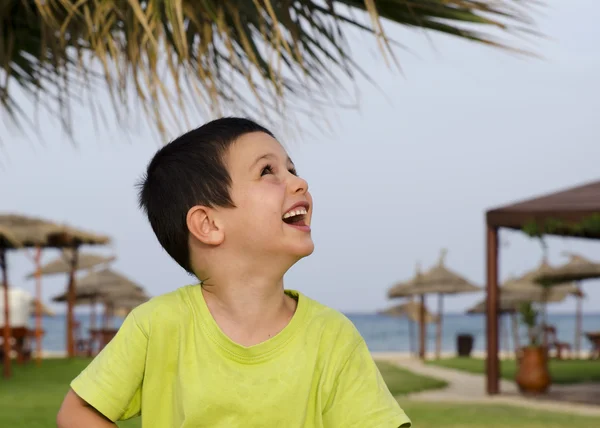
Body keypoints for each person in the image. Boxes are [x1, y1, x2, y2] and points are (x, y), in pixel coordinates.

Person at [56, 117, 411, 427]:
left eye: (292, 168)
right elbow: (78, 412)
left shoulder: (332, 337)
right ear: (208, 224)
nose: (299, 182)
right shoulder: (157, 326)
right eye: (267, 171)